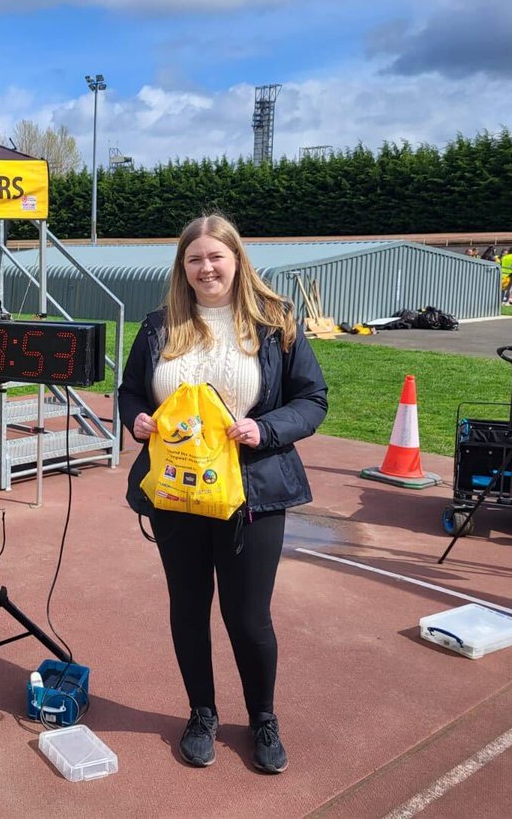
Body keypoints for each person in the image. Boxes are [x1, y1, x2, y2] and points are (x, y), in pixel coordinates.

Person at [119, 213, 328, 775]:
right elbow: (131, 391)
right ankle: (201, 714)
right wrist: (137, 418)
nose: (206, 267)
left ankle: (263, 718)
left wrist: (268, 428)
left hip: (252, 492)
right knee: (188, 609)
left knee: (247, 616)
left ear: (237, 259)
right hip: (176, 493)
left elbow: (313, 399)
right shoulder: (159, 325)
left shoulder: (276, 322)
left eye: (216, 256)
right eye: (195, 259)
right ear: (182, 267)